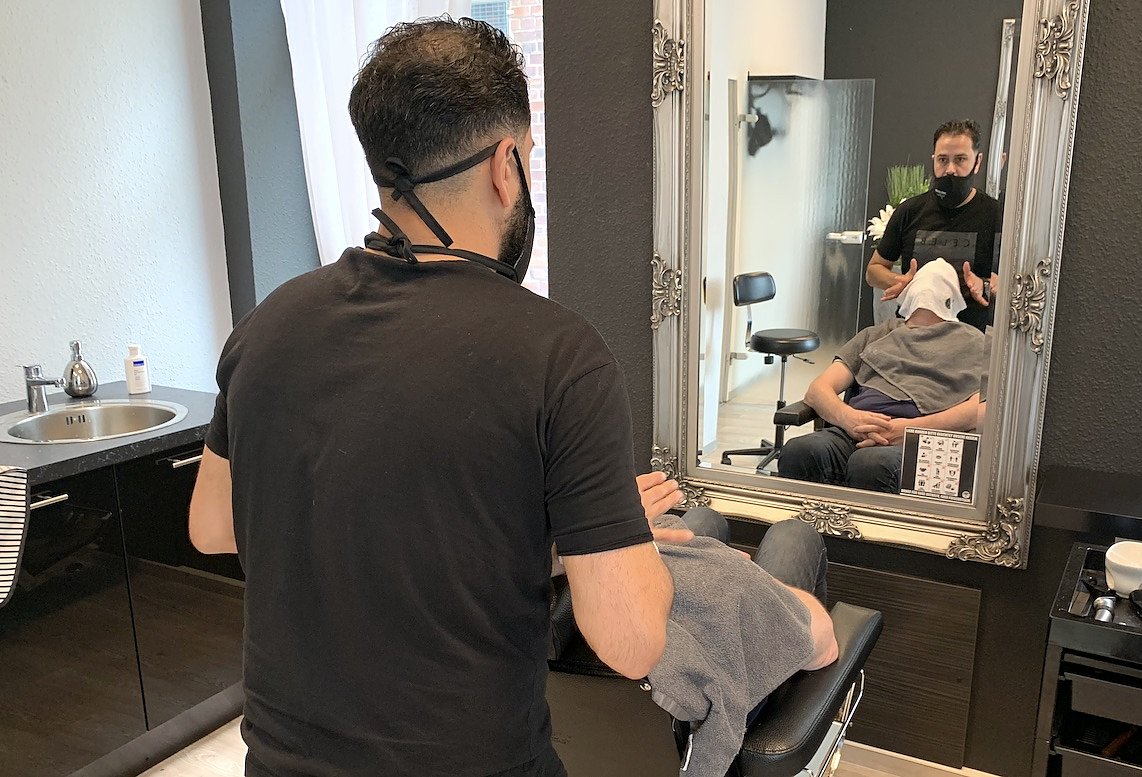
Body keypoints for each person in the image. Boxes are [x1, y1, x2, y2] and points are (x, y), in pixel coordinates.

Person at [187, 18, 687, 777]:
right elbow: (632, 641)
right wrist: (625, 541)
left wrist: (550, 538)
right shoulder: (561, 356)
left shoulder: (266, 327)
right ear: (506, 165)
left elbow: (213, 525)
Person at [552, 473, 836, 777]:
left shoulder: (520, 596)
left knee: (704, 519)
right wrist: (760, 586)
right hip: (684, 729)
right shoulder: (726, 590)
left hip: (579, 729)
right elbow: (824, 647)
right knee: (793, 535)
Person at [779, 259, 988, 491]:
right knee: (800, 452)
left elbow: (982, 410)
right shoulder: (876, 335)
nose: (931, 284)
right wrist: (849, 418)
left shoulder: (974, 342)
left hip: (923, 442)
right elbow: (818, 390)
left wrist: (910, 431)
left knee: (871, 464)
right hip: (854, 431)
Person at [866, 119, 1003, 330]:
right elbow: (873, 271)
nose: (950, 170)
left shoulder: (996, 216)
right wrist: (902, 281)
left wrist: (986, 286)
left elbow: (1016, 284)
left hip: (972, 336)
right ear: (933, 160)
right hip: (914, 333)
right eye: (942, 160)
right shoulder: (909, 211)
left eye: (960, 159)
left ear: (977, 161)